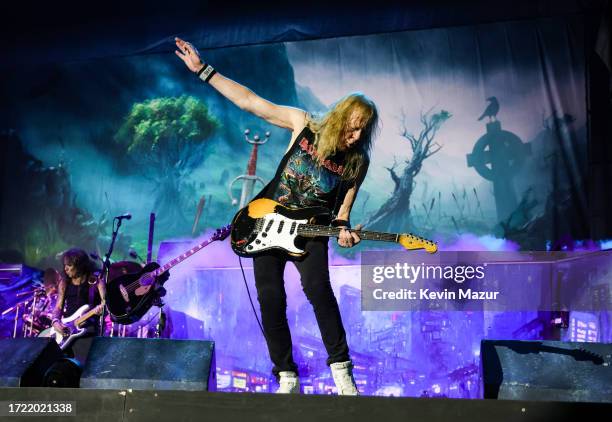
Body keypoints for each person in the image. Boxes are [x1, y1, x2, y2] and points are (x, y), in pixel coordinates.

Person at [175, 37, 379, 395]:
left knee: (318, 290)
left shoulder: (357, 161)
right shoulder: (304, 124)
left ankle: (341, 371)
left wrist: (345, 232)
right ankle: (286, 374)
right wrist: (203, 71)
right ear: (340, 118)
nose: (356, 135)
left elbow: (343, 212)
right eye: (352, 126)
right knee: (270, 297)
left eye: (364, 130)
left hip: (312, 231)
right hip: (266, 223)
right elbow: (251, 102)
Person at [51, 248, 106, 365]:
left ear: (80, 265)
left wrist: (101, 310)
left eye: (69, 265)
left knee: (82, 367)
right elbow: (58, 308)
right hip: (66, 330)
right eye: (65, 265)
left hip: (88, 332)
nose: (65, 269)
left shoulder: (96, 281)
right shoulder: (64, 283)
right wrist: (55, 322)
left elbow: (105, 304)